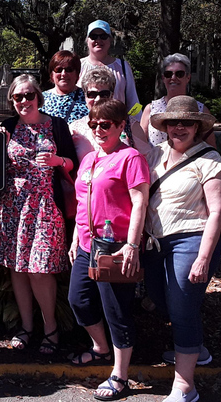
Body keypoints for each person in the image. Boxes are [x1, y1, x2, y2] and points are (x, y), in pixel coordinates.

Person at [0, 75, 77, 355]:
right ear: (12, 101)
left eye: (28, 95)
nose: (24, 101)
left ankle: (51, 329)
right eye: (17, 97)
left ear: (38, 96)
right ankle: (26, 327)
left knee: (39, 270)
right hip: (12, 207)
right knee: (18, 268)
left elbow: (75, 162)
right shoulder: (8, 127)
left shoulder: (56, 126)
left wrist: (58, 160)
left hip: (45, 207)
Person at [144, 96, 221, 402]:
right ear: (165, 126)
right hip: (156, 242)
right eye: (174, 122)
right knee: (159, 297)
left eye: (186, 122)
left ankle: (185, 386)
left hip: (191, 241)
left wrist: (203, 258)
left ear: (197, 127)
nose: (179, 127)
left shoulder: (211, 161)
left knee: (181, 307)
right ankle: (195, 348)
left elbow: (218, 213)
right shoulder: (156, 153)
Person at [67, 99, 150, 401]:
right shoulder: (89, 159)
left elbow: (140, 201)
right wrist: (77, 235)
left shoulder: (131, 158)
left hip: (115, 247)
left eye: (105, 124)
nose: (99, 130)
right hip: (88, 245)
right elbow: (82, 201)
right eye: (94, 124)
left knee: (116, 310)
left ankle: (120, 374)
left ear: (119, 126)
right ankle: (100, 348)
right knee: (78, 300)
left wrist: (132, 244)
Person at [70, 67, 151, 162]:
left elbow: (147, 159)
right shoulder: (74, 128)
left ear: (112, 95)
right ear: (85, 96)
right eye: (92, 94)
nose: (98, 99)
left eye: (104, 94)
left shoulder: (129, 124)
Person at [140, 53, 216, 147]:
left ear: (188, 77)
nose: (173, 78)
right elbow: (140, 143)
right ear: (163, 78)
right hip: (155, 161)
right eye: (168, 74)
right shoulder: (151, 109)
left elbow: (211, 148)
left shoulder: (200, 110)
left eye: (179, 74)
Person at [78, 20, 141, 116]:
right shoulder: (77, 66)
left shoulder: (123, 67)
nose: (98, 40)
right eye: (94, 36)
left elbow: (135, 103)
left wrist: (132, 123)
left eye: (103, 36)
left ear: (110, 40)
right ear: (87, 40)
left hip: (116, 127)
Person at [41, 50, 89, 124]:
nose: (63, 74)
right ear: (52, 75)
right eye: (58, 70)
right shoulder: (41, 99)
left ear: (77, 74)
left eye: (69, 70)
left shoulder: (88, 97)